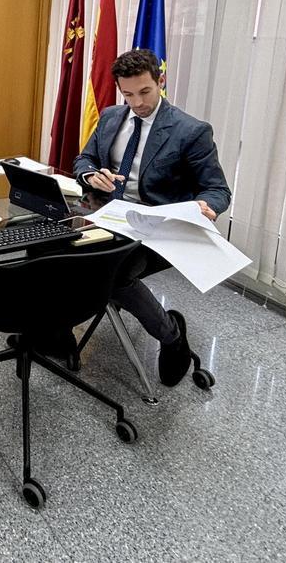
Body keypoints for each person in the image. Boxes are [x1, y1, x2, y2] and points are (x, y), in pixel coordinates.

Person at [72, 48, 231, 387]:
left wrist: (207, 206)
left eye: (144, 91)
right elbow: (82, 160)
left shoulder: (190, 131)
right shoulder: (113, 116)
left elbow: (217, 189)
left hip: (157, 229)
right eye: (128, 94)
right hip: (107, 215)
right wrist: (90, 176)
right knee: (56, 252)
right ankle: (53, 331)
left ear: (160, 81)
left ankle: (172, 336)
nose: (137, 102)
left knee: (117, 275)